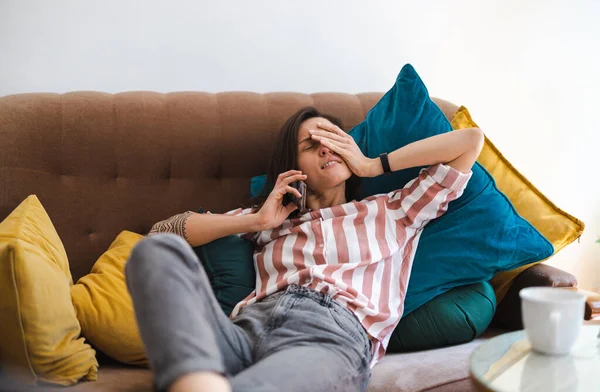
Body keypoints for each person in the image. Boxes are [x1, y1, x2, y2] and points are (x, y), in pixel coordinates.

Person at [125, 106, 484, 392]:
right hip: (242, 331)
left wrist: (373, 164)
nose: (326, 147)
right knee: (154, 254)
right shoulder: (267, 219)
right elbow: (162, 233)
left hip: (327, 337)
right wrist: (254, 222)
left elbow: (470, 141)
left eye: (333, 139)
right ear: (293, 167)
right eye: (312, 146)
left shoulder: (393, 211)